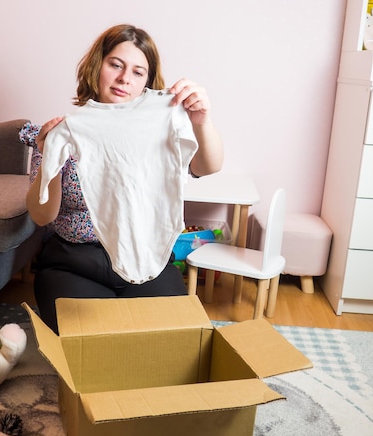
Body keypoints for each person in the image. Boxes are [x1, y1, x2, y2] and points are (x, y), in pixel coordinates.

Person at [22, 24, 223, 333]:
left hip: (147, 261)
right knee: (92, 342)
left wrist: (202, 121)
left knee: (171, 340)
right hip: (74, 263)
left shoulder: (158, 132)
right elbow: (41, 214)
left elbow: (208, 165)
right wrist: (50, 157)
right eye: (115, 64)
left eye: (137, 72)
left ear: (147, 82)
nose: (124, 78)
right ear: (96, 66)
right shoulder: (63, 130)